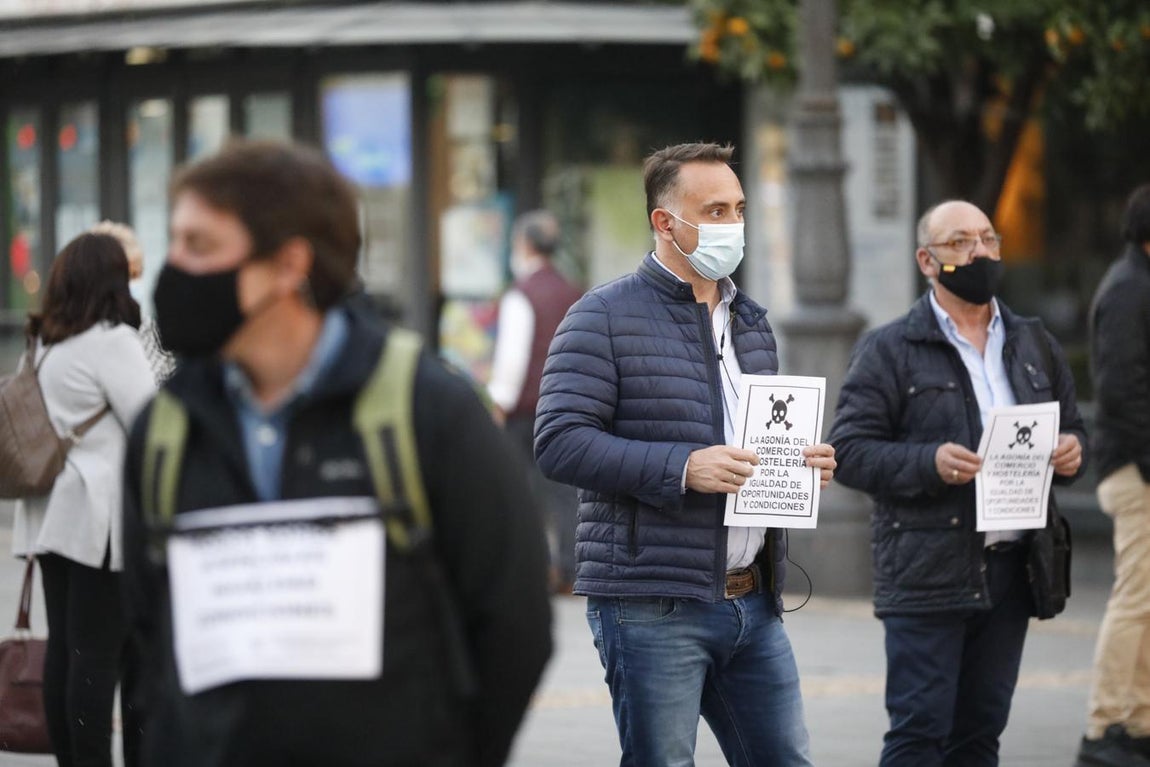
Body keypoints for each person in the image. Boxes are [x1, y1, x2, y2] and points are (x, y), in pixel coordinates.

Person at [120, 140, 552, 766]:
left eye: (202, 246)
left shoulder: (427, 411)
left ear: (290, 264)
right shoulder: (165, 431)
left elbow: (514, 624)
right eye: (177, 241)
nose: (176, 267)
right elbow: (147, 642)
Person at [534, 141, 836, 767]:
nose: (734, 224)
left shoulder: (751, 321)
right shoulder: (601, 317)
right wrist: (681, 467)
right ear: (665, 222)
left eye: (739, 208)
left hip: (753, 599)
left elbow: (753, 440)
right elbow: (559, 441)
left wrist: (800, 466)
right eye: (716, 210)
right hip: (653, 603)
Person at [827, 199, 1087, 767]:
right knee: (920, 733)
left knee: (980, 734)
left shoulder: (1033, 342)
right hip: (927, 566)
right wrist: (928, 462)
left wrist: (1073, 452)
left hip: (1012, 569)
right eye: (960, 242)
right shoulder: (890, 348)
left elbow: (1074, 431)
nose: (979, 252)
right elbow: (847, 453)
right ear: (927, 259)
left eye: (989, 240)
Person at [11, 232, 155, 767]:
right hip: (100, 521)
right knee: (101, 657)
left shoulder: (49, 342)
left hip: (54, 516)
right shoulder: (110, 340)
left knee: (68, 657)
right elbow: (148, 421)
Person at [1076, 184, 1150, 767]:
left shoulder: (1136, 284)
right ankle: (1105, 726)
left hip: (1137, 464)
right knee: (1135, 598)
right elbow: (1124, 391)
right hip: (1136, 469)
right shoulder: (1129, 290)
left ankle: (1137, 718)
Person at [487, 209, 582, 592]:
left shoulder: (520, 294)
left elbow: (512, 358)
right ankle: (572, 567)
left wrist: (498, 405)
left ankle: (539, 567)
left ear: (524, 245)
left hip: (526, 410)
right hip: (567, 406)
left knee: (522, 491)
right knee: (564, 492)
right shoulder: (573, 291)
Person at [88, 220, 176, 383]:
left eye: (137, 274)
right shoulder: (83, 341)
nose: (133, 284)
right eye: (126, 276)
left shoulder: (151, 332)